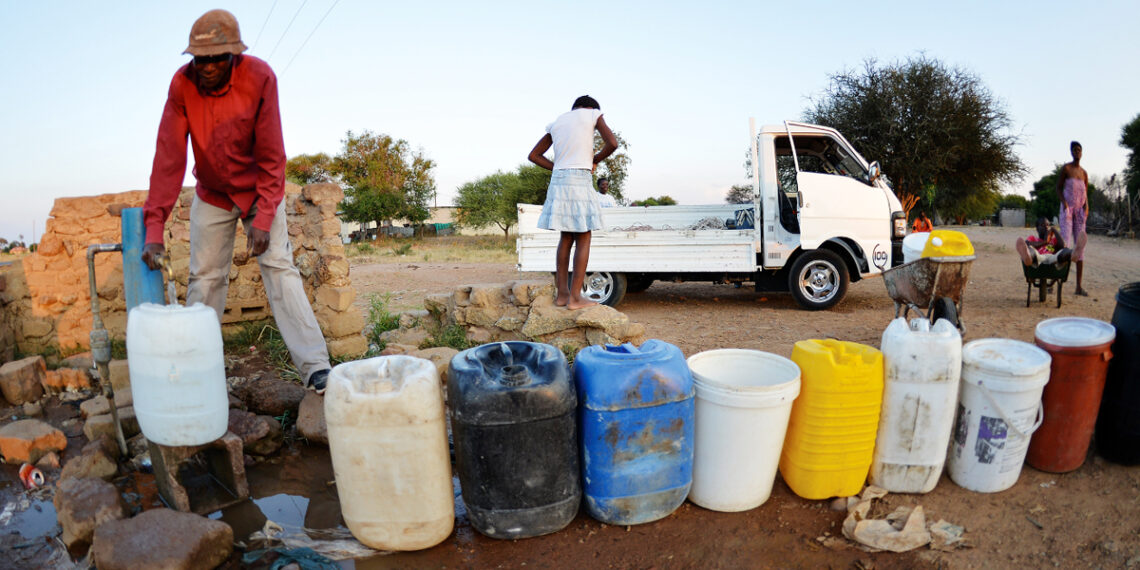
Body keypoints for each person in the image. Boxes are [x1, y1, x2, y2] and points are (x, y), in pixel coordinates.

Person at [141, 10, 332, 392]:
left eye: (217, 58)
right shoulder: (182, 85)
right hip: (212, 193)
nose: (208, 67)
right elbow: (168, 160)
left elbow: (273, 156)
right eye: (200, 60)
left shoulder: (260, 78)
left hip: (259, 190)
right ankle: (198, 374)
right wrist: (154, 228)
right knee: (205, 278)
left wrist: (263, 218)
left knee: (279, 267)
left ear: (235, 56)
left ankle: (316, 367)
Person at [528, 95, 618, 309]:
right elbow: (612, 144)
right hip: (579, 177)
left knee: (566, 237)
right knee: (584, 235)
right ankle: (576, 298)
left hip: (559, 180)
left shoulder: (558, 121)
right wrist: (594, 160)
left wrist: (558, 167)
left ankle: (562, 295)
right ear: (590, 107)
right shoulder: (593, 113)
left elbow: (534, 155)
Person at [1056, 141, 1090, 296]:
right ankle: (1055, 281)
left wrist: (1086, 207)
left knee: (1080, 247)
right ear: (1071, 152)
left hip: (1080, 212)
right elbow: (1058, 188)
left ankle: (1078, 287)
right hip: (1068, 210)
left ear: (1082, 153)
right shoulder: (1066, 169)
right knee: (1065, 244)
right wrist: (1064, 203)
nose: (1077, 152)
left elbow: (1085, 193)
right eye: (1075, 150)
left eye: (1079, 150)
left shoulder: (1084, 173)